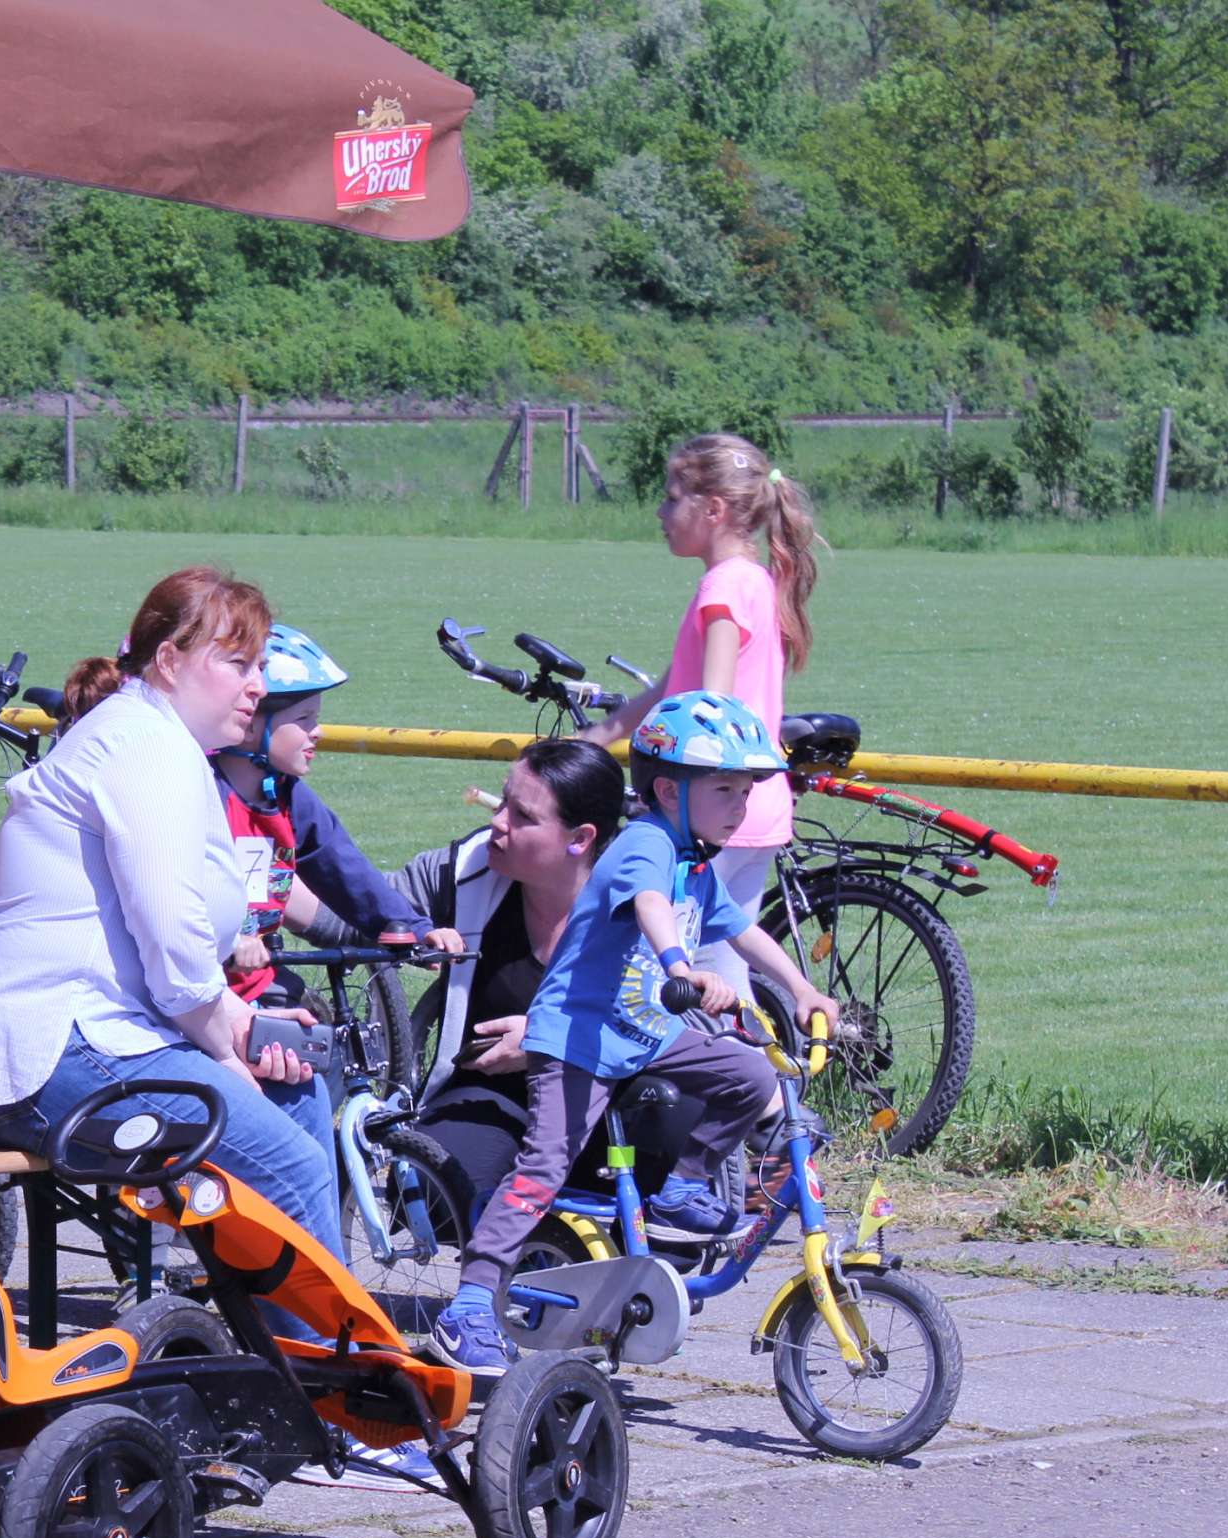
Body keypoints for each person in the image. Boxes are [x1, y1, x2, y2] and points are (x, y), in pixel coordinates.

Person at [0, 566, 330, 1237]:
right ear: (169, 661)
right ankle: (312, 1313)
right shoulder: (145, 745)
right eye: (237, 664)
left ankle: (259, 1301)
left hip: (77, 1039)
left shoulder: (160, 742)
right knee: (293, 1169)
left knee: (297, 1094)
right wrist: (225, 1054)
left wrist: (243, 1024)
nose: (257, 686)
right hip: (43, 1050)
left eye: (258, 666)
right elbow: (172, 937)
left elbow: (164, 949)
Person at [444, 691, 839, 1367]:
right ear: (668, 791)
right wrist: (680, 965)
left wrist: (803, 988)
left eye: (747, 791)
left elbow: (741, 930)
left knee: (751, 1076)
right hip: (577, 1035)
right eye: (725, 790)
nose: (740, 806)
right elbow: (650, 904)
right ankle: (472, 1302)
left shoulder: (693, 861)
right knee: (544, 1165)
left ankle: (682, 1185)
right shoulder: (646, 845)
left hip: (641, 1030)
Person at [309, 740, 627, 1365]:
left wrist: (545, 1039)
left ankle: (624, 1256)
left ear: (581, 838)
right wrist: (251, 898)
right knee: (429, 1190)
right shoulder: (465, 869)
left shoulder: (638, 891)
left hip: (606, 1092)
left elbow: (678, 1012)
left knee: (671, 1108)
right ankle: (509, 1271)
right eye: (501, 802)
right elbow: (360, 913)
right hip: (488, 1094)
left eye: (522, 815)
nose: (497, 822)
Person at [586, 432, 820, 1000]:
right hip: (754, 802)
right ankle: (769, 1052)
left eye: (672, 499)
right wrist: (595, 738)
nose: (661, 513)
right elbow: (669, 689)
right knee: (726, 976)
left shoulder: (722, 588)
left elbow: (706, 709)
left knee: (678, 983)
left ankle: (753, 1057)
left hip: (711, 804)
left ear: (713, 509)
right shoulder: (756, 581)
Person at [212, 622, 459, 1007]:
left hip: (255, 981)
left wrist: (414, 929)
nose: (318, 732)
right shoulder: (202, 792)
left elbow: (346, 871)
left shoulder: (291, 799)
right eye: (304, 719)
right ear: (249, 722)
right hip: (189, 983)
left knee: (316, 1037)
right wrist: (226, 939)